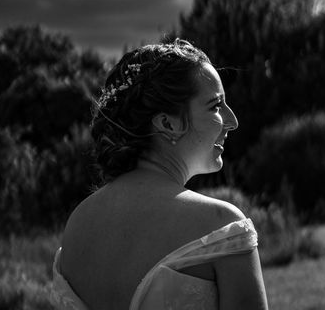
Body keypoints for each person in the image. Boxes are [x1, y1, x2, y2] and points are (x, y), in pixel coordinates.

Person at [52, 39, 269, 310]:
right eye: (215, 106)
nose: (232, 121)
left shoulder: (77, 226)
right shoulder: (220, 226)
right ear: (168, 123)